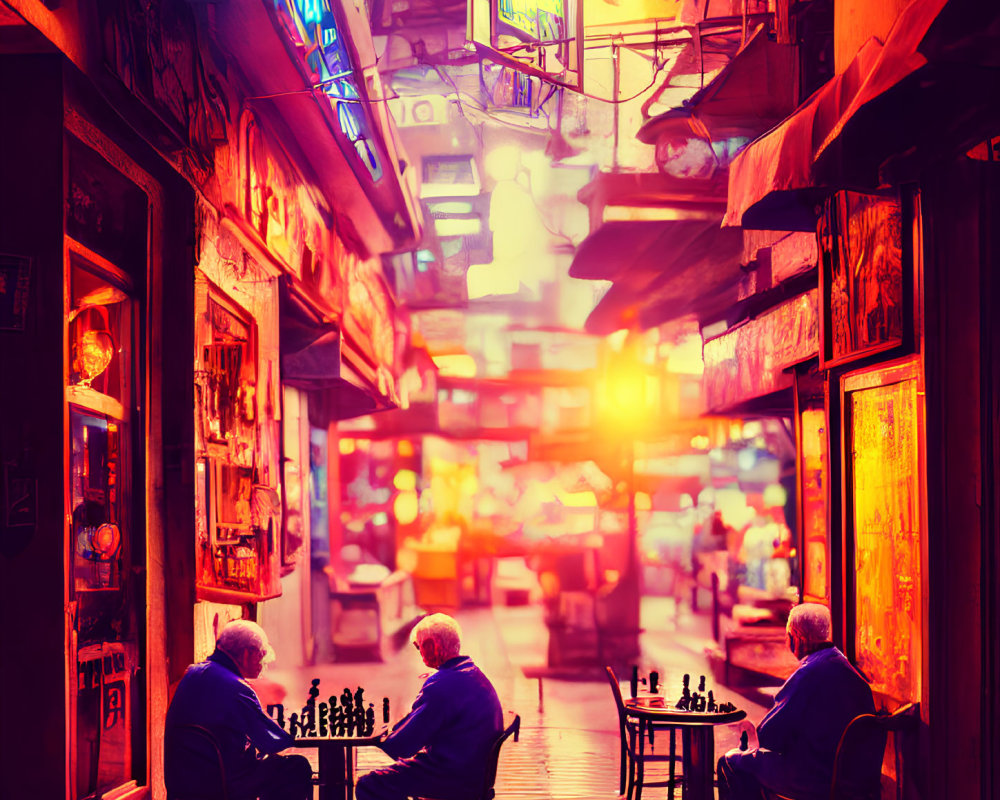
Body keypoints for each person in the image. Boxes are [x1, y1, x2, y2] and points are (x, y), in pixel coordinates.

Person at [717, 603, 876, 800]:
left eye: (787, 635)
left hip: (813, 777)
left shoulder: (807, 673)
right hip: (851, 779)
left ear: (796, 637)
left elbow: (770, 738)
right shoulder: (847, 668)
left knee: (731, 762)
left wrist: (751, 731)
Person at [356, 613, 504, 800]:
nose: (420, 653)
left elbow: (402, 746)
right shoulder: (472, 672)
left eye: (419, 647)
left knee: (370, 785)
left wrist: (379, 733)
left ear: (432, 645)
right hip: (472, 771)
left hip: (453, 775)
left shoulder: (442, 683)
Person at [164, 619, 312, 800]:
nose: (263, 663)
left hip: (181, 786)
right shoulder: (237, 687)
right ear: (247, 653)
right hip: (222, 786)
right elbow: (272, 742)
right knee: (296, 766)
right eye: (261, 654)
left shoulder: (192, 674)